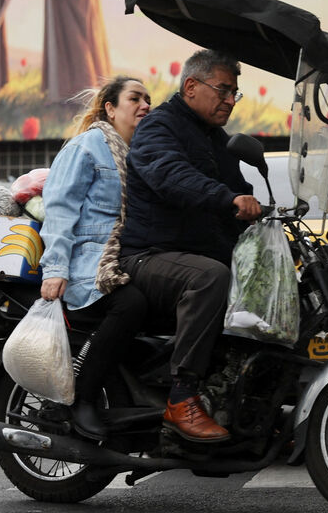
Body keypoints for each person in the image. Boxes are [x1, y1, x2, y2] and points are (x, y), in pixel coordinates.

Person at [116, 49, 263, 443]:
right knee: (209, 278)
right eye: (223, 90)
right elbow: (170, 176)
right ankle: (181, 398)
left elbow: (238, 188)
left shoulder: (216, 138)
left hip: (187, 255)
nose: (230, 100)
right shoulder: (158, 128)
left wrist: (261, 212)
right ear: (192, 87)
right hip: (147, 256)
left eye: (235, 93)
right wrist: (228, 200)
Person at [38, 76, 152, 438]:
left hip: (125, 257)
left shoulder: (140, 154)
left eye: (148, 99)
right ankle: (81, 400)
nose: (145, 105)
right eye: (135, 98)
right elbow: (60, 207)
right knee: (131, 305)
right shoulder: (88, 147)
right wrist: (55, 270)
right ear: (110, 108)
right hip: (88, 263)